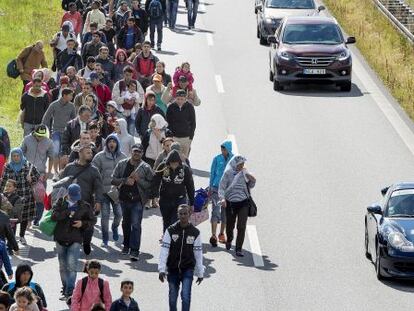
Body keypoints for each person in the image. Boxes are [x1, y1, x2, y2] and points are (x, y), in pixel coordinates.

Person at [52, 183, 94, 301]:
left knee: (72, 266)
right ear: (67, 194)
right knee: (62, 266)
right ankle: (65, 287)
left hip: (75, 239)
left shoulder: (85, 206)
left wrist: (83, 224)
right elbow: (54, 216)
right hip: (60, 238)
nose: (75, 199)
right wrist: (67, 212)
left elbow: (92, 220)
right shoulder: (60, 203)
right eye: (72, 196)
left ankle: (70, 291)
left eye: (77, 196)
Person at [59, 145, 103, 255]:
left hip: (87, 204)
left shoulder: (94, 170)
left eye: (91, 153)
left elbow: (99, 187)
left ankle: (87, 242)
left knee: (88, 226)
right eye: (88, 153)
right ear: (80, 153)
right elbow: (62, 184)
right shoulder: (69, 168)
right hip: (71, 204)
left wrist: (98, 201)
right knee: (71, 225)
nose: (90, 155)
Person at [111, 143, 154, 260]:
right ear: (131, 151)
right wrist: (125, 180)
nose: (136, 153)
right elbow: (113, 179)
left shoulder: (145, 167)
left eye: (139, 152)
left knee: (135, 225)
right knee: (125, 223)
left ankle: (135, 250)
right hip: (124, 199)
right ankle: (126, 245)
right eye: (135, 151)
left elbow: (152, 184)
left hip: (137, 201)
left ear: (142, 153)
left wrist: (138, 180)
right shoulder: (122, 164)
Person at [158, 204, 204, 311]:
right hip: (172, 269)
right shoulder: (170, 230)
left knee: (186, 296)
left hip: (187, 269)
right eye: (181, 214)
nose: (183, 216)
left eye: (185, 213)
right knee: (173, 299)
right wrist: (161, 269)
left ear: (189, 214)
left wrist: (200, 272)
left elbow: (198, 254)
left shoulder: (195, 232)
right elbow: (164, 251)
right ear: (177, 215)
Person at [92, 135, 126, 247]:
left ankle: (115, 228)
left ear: (117, 144)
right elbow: (94, 173)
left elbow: (127, 173)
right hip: (104, 193)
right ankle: (105, 238)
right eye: (109, 141)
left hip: (117, 192)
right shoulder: (99, 156)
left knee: (119, 214)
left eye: (114, 141)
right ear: (106, 144)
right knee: (105, 216)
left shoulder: (123, 157)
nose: (112, 143)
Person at [0, 149, 40, 245]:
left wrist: (31, 179)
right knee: (11, 217)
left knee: (24, 217)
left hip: (26, 196)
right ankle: (11, 239)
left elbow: (37, 176)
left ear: (21, 156)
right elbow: (4, 181)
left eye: (17, 156)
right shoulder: (8, 166)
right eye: (14, 156)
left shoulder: (28, 165)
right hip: (11, 197)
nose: (16, 158)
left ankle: (22, 236)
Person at [218, 155, 256, 257]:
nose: (241, 166)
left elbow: (251, 185)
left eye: (243, 164)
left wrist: (251, 178)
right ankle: (229, 239)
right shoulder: (228, 173)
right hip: (230, 203)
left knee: (241, 226)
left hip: (243, 202)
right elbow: (221, 187)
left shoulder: (245, 173)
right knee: (230, 224)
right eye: (240, 164)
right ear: (235, 164)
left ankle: (239, 249)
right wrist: (222, 199)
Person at [152, 150, 194, 233]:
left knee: (175, 221)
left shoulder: (185, 169)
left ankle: (174, 240)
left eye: (176, 163)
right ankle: (166, 238)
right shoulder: (162, 167)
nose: (174, 166)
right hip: (165, 199)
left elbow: (190, 186)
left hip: (180, 199)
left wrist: (192, 203)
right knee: (166, 221)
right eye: (172, 163)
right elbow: (156, 181)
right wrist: (155, 196)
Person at [20, 125, 53, 225]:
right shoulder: (26, 139)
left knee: (40, 198)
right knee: (25, 197)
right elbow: (21, 153)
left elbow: (51, 157)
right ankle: (25, 218)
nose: (40, 137)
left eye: (42, 136)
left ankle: (37, 219)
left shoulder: (49, 142)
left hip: (40, 174)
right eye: (38, 135)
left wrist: (48, 172)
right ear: (34, 132)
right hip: (26, 173)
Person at [42, 88, 76, 176]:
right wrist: (46, 131)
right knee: (56, 152)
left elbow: (74, 120)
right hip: (56, 132)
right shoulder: (54, 105)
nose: (72, 97)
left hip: (66, 133)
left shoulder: (71, 106)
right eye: (71, 95)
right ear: (64, 95)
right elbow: (46, 118)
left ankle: (61, 172)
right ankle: (56, 172)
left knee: (63, 153)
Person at [208, 141, 233, 247]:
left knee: (225, 213)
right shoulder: (217, 159)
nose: (222, 151)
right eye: (222, 149)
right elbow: (212, 173)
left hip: (228, 189)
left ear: (229, 149)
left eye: (224, 149)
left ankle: (221, 234)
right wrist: (210, 187)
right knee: (215, 211)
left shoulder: (233, 159)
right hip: (216, 188)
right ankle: (213, 235)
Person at [165, 90, 196, 159]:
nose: (180, 101)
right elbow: (167, 123)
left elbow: (193, 123)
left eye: (182, 99)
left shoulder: (190, 107)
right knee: (173, 158)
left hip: (186, 138)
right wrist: (169, 137)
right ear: (175, 98)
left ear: (185, 99)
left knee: (184, 159)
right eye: (178, 99)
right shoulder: (171, 107)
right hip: (174, 137)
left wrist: (191, 137)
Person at [112, 66, 143, 134]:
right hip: (121, 112)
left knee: (131, 132)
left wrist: (135, 99)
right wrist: (124, 100)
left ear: (132, 75)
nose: (128, 76)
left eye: (130, 75)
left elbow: (142, 97)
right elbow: (114, 98)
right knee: (121, 132)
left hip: (133, 112)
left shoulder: (136, 84)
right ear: (123, 74)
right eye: (126, 75)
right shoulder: (118, 84)